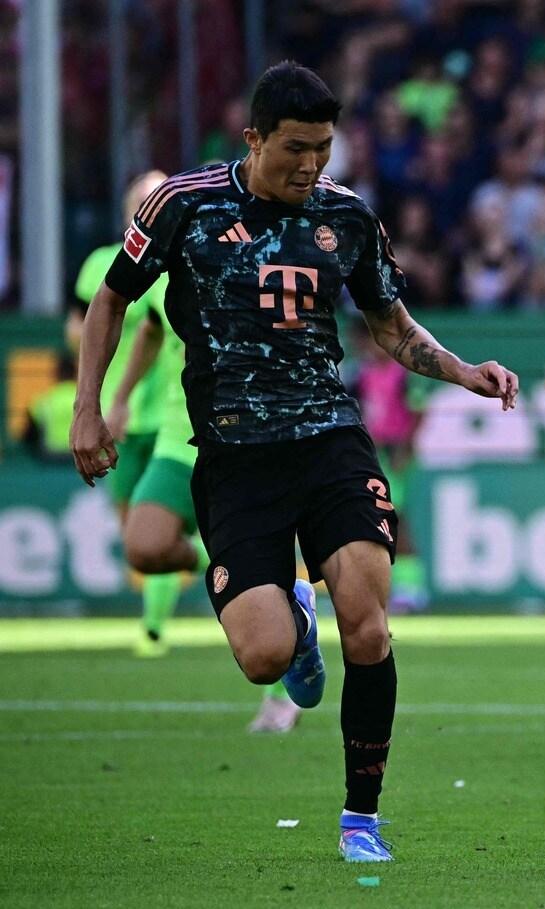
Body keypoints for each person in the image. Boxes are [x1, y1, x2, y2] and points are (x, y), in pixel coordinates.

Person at [70, 61, 519, 862]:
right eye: (295, 149)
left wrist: (463, 370)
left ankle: (361, 818)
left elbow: (391, 326)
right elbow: (112, 298)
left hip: (329, 441)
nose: (311, 166)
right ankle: (296, 621)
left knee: (370, 626)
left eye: (323, 149)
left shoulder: (346, 216)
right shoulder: (183, 205)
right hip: (234, 456)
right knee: (263, 656)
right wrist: (88, 407)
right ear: (253, 139)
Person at [108, 259, 298, 733]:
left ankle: (281, 698)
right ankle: (235, 569)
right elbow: (150, 330)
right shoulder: (158, 275)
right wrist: (120, 399)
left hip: (239, 441)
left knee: (262, 605)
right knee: (144, 545)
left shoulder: (244, 262)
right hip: (178, 438)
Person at [70, 171, 184, 657]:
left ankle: (153, 627)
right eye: (143, 200)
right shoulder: (102, 265)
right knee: (136, 533)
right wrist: (103, 394)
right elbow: (78, 326)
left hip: (169, 420)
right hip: (121, 419)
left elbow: (154, 330)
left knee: (156, 527)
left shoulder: (178, 263)